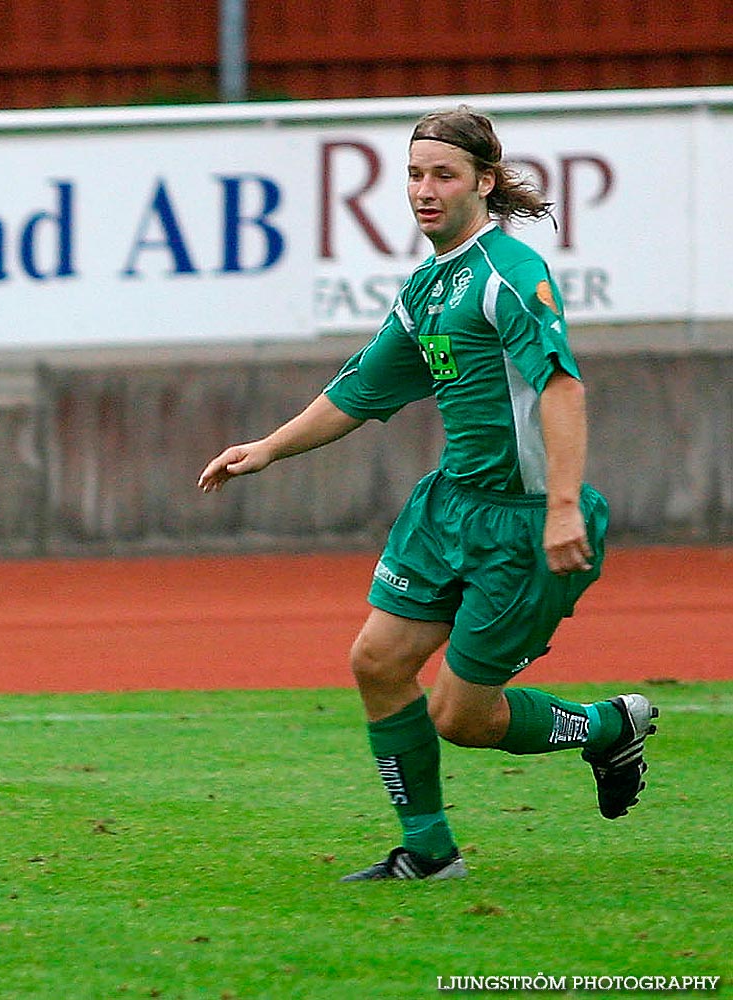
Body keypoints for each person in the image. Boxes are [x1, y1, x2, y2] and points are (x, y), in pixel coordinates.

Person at [198, 106, 656, 881]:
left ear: (484, 181)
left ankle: (608, 726)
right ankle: (429, 852)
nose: (423, 189)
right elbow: (361, 389)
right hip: (448, 509)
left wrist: (562, 505)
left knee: (460, 717)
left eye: (442, 174)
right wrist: (268, 448)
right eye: (413, 174)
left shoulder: (510, 272)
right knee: (376, 661)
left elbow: (561, 387)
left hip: (520, 523)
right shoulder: (430, 286)